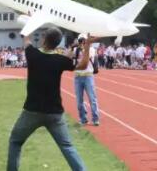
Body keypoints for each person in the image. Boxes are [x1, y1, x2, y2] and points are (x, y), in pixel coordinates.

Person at [7, 28, 99, 171]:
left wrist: (30, 24)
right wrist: (87, 46)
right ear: (57, 43)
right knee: (67, 147)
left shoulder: (33, 54)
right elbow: (83, 65)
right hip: (54, 113)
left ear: (44, 39)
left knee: (15, 141)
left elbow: (26, 38)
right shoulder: (59, 60)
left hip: (32, 110)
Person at [73, 34, 100, 126]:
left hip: (88, 76)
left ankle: (95, 118)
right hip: (78, 76)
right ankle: (83, 118)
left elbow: (86, 59)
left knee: (92, 98)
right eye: (80, 41)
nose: (82, 42)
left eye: (84, 40)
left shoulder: (91, 49)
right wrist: (74, 48)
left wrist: (84, 48)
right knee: (79, 100)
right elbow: (71, 59)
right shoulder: (76, 50)